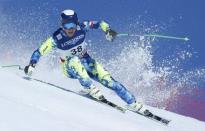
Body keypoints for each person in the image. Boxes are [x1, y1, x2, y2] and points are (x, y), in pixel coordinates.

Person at [24, 9, 147, 114]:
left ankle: (132, 102)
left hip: (86, 62)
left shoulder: (82, 27)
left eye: (72, 25)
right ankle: (89, 87)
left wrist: (108, 30)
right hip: (69, 67)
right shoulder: (57, 38)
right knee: (75, 60)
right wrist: (31, 65)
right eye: (66, 26)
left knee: (109, 81)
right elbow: (38, 51)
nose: (70, 29)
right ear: (61, 25)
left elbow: (100, 23)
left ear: (76, 23)